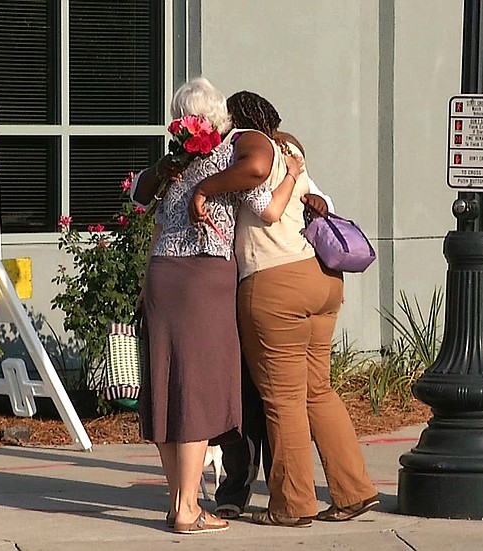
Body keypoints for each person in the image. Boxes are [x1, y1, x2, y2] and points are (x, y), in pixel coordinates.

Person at [191, 90, 379, 527]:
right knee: (319, 391)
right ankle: (354, 491)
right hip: (320, 279)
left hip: (274, 281)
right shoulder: (289, 149)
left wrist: (204, 185)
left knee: (283, 401)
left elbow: (255, 183)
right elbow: (315, 196)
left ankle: (292, 505)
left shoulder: (245, 149)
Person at [133, 77, 303, 534]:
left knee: (167, 390)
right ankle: (189, 508)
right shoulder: (227, 152)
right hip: (204, 277)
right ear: (219, 117)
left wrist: (173, 166)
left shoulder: (176, 161)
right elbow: (267, 208)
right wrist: (290, 176)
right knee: (196, 390)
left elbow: (136, 194)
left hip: (161, 275)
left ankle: (178, 502)